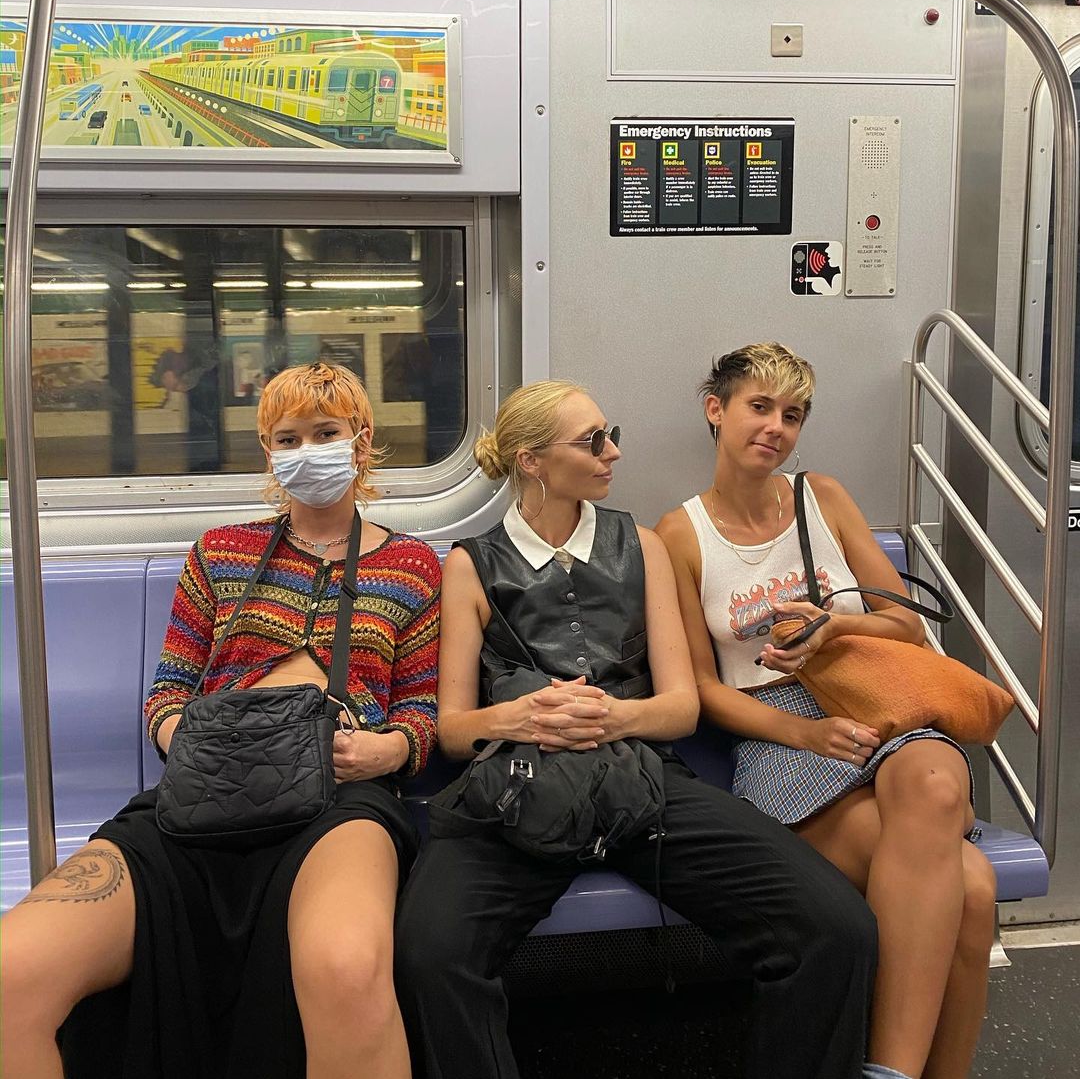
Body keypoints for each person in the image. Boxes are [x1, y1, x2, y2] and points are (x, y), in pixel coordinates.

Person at [394, 379, 877, 1079]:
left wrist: (611, 716)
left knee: (836, 928)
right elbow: (455, 730)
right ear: (532, 461)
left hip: (641, 778)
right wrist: (523, 715)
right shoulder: (473, 564)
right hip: (519, 786)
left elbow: (681, 707)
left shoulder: (641, 546)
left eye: (610, 434)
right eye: (593, 441)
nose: (613, 452)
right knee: (430, 954)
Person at [1, 362, 441, 1079]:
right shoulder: (219, 553)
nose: (306, 451)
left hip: (338, 797)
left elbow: (421, 709)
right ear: (268, 451)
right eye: (287, 439)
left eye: (325, 434)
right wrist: (204, 744)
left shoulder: (411, 566)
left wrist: (386, 751)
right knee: (12, 969)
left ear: (361, 442)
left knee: (347, 969)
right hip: (201, 794)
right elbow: (167, 695)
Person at [657, 343, 997, 1079]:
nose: (775, 428)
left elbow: (906, 625)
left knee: (936, 784)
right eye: (759, 407)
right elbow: (704, 690)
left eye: (793, 415)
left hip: (870, 695)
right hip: (779, 731)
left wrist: (835, 626)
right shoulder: (679, 536)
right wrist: (804, 732)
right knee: (971, 890)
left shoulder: (825, 498)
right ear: (716, 410)